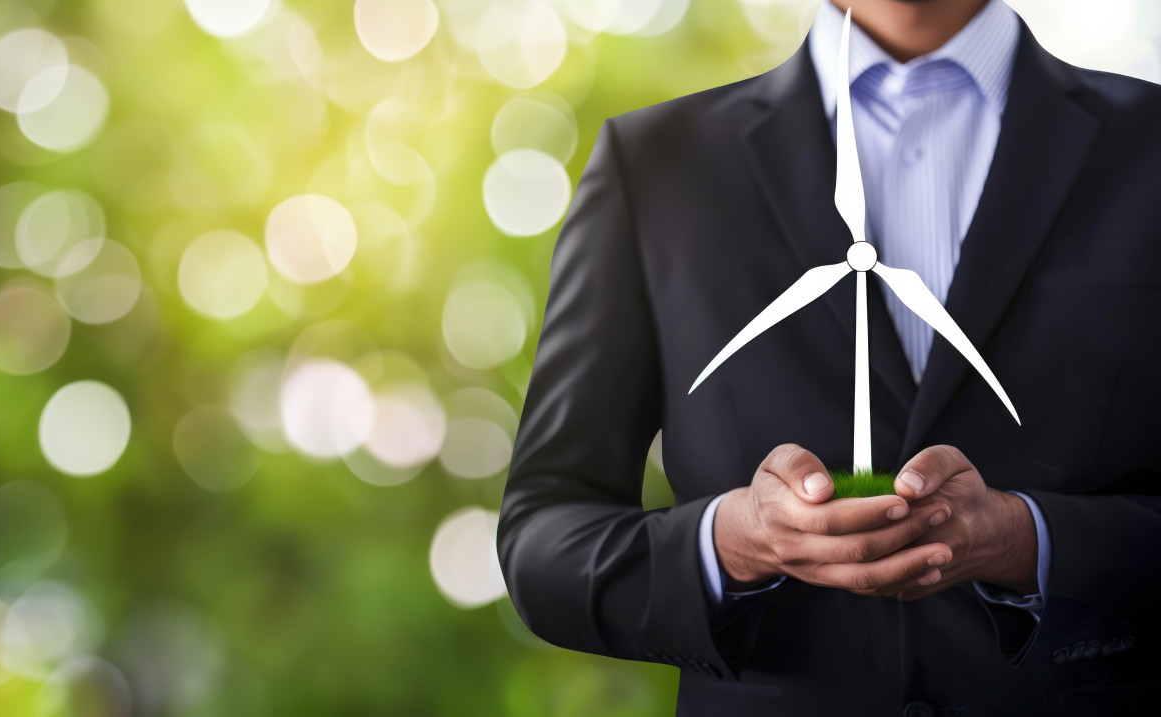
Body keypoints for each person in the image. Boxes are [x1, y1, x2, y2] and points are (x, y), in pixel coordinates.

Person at [496, 0, 1161, 713]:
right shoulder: (657, 165)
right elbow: (544, 540)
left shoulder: (1147, 145)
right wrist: (731, 543)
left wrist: (1028, 541)